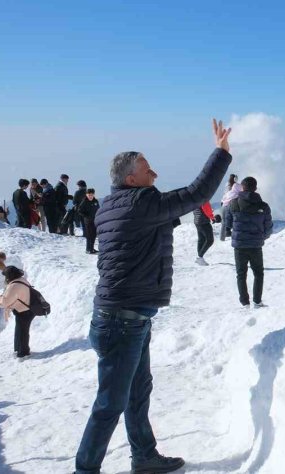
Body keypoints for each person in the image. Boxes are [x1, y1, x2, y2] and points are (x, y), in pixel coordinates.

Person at [74, 119, 232, 474]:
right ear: (131, 179)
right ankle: (84, 470)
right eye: (148, 169)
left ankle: (144, 455)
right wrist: (221, 153)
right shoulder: (141, 204)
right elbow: (195, 194)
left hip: (125, 317)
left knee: (137, 391)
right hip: (122, 320)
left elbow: (152, 229)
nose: (155, 173)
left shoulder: (112, 206)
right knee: (110, 403)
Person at [226, 176, 273, 307]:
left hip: (239, 245)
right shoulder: (263, 206)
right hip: (256, 245)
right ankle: (257, 301)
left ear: (242, 187)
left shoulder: (233, 203)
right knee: (258, 273)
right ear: (255, 188)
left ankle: (244, 302)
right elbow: (268, 226)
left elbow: (228, 223)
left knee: (241, 274)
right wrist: (263, 237)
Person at [0, 265, 35, 358]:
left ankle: (23, 353)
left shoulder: (14, 285)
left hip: (24, 311)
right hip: (27, 309)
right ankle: (18, 350)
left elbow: (4, 302)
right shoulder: (21, 280)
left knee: (22, 333)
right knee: (20, 331)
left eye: (5, 276)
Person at [77, 189, 100, 254]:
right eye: (89, 195)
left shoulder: (95, 201)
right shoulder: (84, 201)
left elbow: (98, 209)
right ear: (86, 195)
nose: (90, 196)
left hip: (95, 220)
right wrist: (86, 215)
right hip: (88, 221)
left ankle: (92, 248)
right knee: (89, 235)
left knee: (94, 235)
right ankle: (88, 249)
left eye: (92, 195)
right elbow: (79, 210)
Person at [220, 174, 241, 241]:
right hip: (232, 205)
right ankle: (236, 237)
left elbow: (224, 195)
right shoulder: (237, 186)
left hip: (223, 205)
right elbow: (242, 192)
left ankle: (222, 238)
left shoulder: (227, 185)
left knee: (224, 222)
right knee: (236, 220)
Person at [193, 201, 215, 265]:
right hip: (203, 221)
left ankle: (199, 259)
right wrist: (212, 217)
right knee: (210, 240)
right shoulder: (203, 198)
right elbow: (206, 208)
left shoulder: (195, 197)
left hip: (197, 220)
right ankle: (200, 257)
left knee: (201, 239)